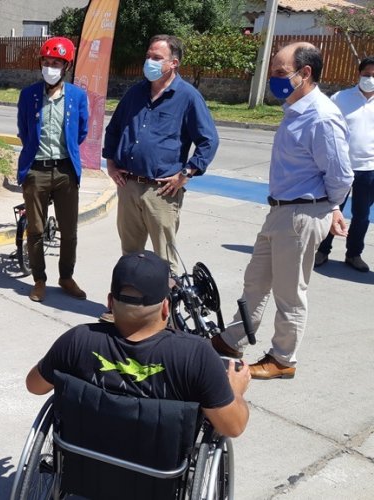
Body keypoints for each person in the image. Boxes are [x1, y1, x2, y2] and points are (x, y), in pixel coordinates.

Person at [212, 43, 354, 380]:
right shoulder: (294, 109)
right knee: (256, 281)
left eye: (280, 72)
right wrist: (331, 207)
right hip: (281, 211)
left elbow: (341, 175)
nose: (273, 79)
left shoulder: (321, 116)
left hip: (302, 214)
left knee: (290, 292)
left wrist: (328, 206)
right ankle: (234, 339)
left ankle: (283, 358)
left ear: (305, 73)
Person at [25, 251, 250, 439]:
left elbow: (34, 385)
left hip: (84, 465)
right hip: (159, 472)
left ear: (110, 302)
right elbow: (233, 427)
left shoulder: (77, 340)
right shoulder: (196, 356)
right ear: (165, 307)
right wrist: (236, 391)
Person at [100, 34, 219, 322]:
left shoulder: (187, 97)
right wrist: (111, 163)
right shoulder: (135, 93)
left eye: (157, 58)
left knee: (165, 261)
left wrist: (186, 173)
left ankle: (165, 319)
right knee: (130, 256)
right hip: (128, 185)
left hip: (162, 191)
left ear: (173, 63)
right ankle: (124, 311)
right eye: (148, 56)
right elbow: (114, 129)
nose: (149, 62)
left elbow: (208, 141)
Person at [16, 37, 90, 303]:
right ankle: (39, 279)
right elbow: (24, 130)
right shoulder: (28, 95)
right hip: (36, 170)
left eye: (56, 63)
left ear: (66, 67)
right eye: (46, 62)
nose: (50, 67)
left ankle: (66, 277)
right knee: (35, 229)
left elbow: (81, 131)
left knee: (69, 230)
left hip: (65, 171)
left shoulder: (77, 96)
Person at [314, 56, 374, 272]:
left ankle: (354, 254)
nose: (370, 79)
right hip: (340, 167)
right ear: (359, 74)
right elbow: (325, 126)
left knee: (362, 216)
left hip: (369, 169)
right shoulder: (341, 98)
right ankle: (322, 251)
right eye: (367, 74)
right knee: (331, 211)